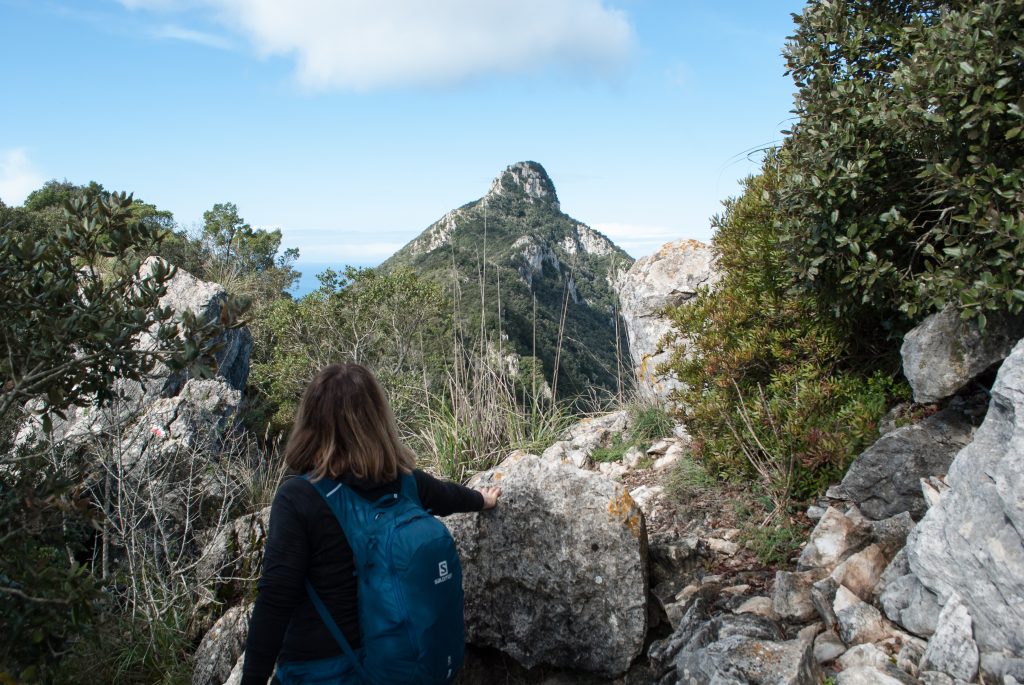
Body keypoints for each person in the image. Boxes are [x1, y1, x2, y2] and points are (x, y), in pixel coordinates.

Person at [241, 363, 500, 685]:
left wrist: (251, 678)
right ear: (378, 420)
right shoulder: (407, 483)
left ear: (310, 423)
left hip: (320, 671)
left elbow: (276, 598)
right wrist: (482, 499)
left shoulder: (299, 497)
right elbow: (448, 497)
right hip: (399, 666)